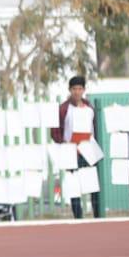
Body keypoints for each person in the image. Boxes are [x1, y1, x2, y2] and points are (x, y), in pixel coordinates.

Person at [51, 75, 102, 219]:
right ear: (69, 90)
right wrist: (64, 144)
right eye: (74, 89)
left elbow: (95, 128)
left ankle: (97, 216)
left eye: (80, 89)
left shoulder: (90, 108)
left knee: (93, 185)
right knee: (74, 187)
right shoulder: (64, 108)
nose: (77, 92)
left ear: (84, 90)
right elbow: (55, 131)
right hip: (72, 152)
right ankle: (78, 217)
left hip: (88, 151)